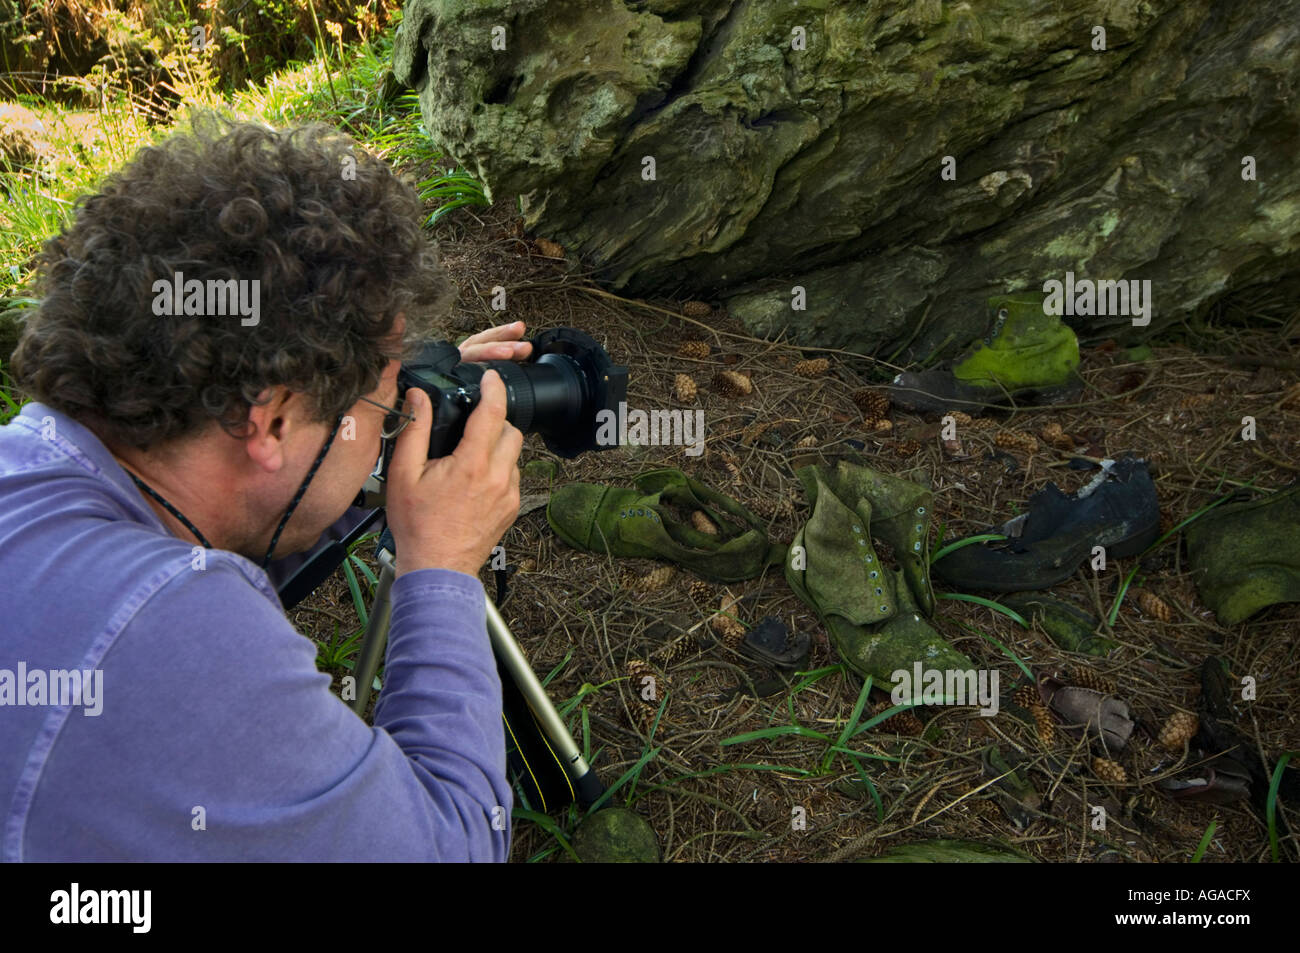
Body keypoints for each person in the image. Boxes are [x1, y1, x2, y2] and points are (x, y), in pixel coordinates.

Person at [0, 114, 527, 861]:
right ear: (273, 421)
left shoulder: (31, 466)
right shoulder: (176, 630)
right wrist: (439, 567)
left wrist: (391, 408)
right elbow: (455, 848)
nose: (387, 426)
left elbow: (234, 522)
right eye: (381, 410)